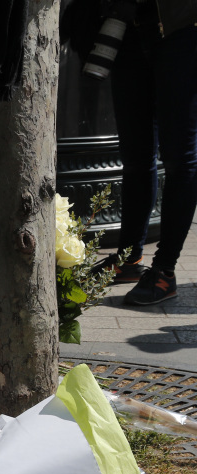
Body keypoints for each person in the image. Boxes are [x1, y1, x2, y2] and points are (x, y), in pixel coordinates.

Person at [91, 2, 197, 306]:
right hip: (127, 25)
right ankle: (128, 258)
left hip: (181, 27)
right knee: (135, 155)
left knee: (179, 158)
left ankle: (164, 271)